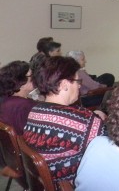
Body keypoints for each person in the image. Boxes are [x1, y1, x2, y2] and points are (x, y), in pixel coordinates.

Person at [23, 56, 107, 187]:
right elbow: (113, 148)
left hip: (48, 182)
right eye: (77, 81)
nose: (79, 86)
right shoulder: (82, 121)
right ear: (64, 84)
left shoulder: (35, 111)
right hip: (69, 185)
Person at [0, 61, 36, 134]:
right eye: (31, 75)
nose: (35, 77)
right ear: (20, 82)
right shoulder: (26, 106)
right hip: (25, 143)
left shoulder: (6, 100)